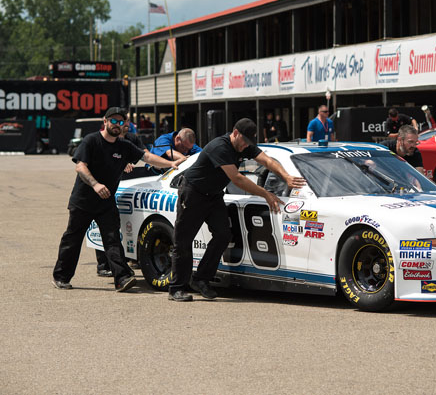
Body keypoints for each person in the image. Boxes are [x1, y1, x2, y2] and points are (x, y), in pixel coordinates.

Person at [168, 118, 306, 302]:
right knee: (183, 241)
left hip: (214, 195)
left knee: (223, 235)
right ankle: (176, 288)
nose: (246, 146)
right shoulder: (220, 146)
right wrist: (266, 194)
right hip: (193, 193)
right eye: (244, 141)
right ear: (235, 133)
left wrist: (286, 176)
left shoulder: (244, 144)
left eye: (250, 143)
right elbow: (237, 178)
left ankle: (201, 279)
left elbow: (266, 160)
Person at [52, 107, 186, 292]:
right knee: (72, 240)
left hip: (106, 202)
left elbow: (147, 157)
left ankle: (122, 278)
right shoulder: (91, 140)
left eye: (121, 121)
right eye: (113, 121)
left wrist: (170, 164)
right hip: (83, 201)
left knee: (113, 239)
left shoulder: (124, 146)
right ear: (105, 121)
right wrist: (96, 184)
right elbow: (80, 167)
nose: (117, 124)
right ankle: (61, 277)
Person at [95, 114, 150, 277]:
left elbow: (144, 152)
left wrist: (150, 159)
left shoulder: (132, 139)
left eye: (125, 122)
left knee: (122, 226)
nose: (124, 125)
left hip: (126, 184)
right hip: (106, 186)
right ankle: (103, 264)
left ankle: (125, 260)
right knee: (104, 227)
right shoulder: (106, 139)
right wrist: (123, 162)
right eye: (120, 122)